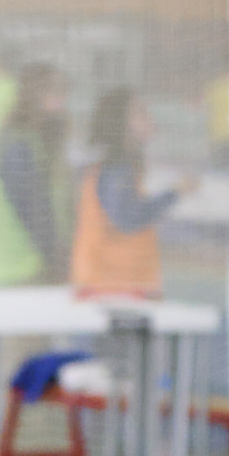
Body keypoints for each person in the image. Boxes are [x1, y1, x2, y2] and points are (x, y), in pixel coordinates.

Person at [70, 88, 191, 299]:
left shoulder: (118, 166)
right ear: (121, 123)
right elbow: (127, 219)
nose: (149, 118)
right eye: (140, 112)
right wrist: (174, 193)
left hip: (117, 284)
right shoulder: (115, 169)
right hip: (113, 288)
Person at [0, 64, 65, 287]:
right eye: (55, 91)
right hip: (21, 268)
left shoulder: (36, 140)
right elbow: (30, 208)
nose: (62, 100)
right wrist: (54, 255)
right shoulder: (18, 145)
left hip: (36, 263)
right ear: (35, 95)